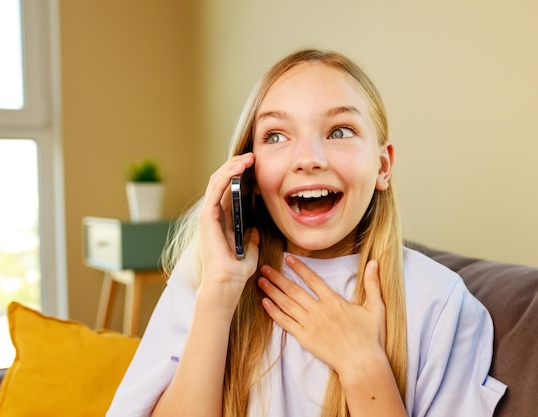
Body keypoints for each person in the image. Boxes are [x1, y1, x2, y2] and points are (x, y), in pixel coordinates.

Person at [106, 48, 506, 417]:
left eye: (339, 131)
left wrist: (362, 365)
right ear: (251, 173)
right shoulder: (205, 279)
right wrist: (220, 292)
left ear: (383, 167)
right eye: (276, 136)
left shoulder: (439, 302)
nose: (309, 159)